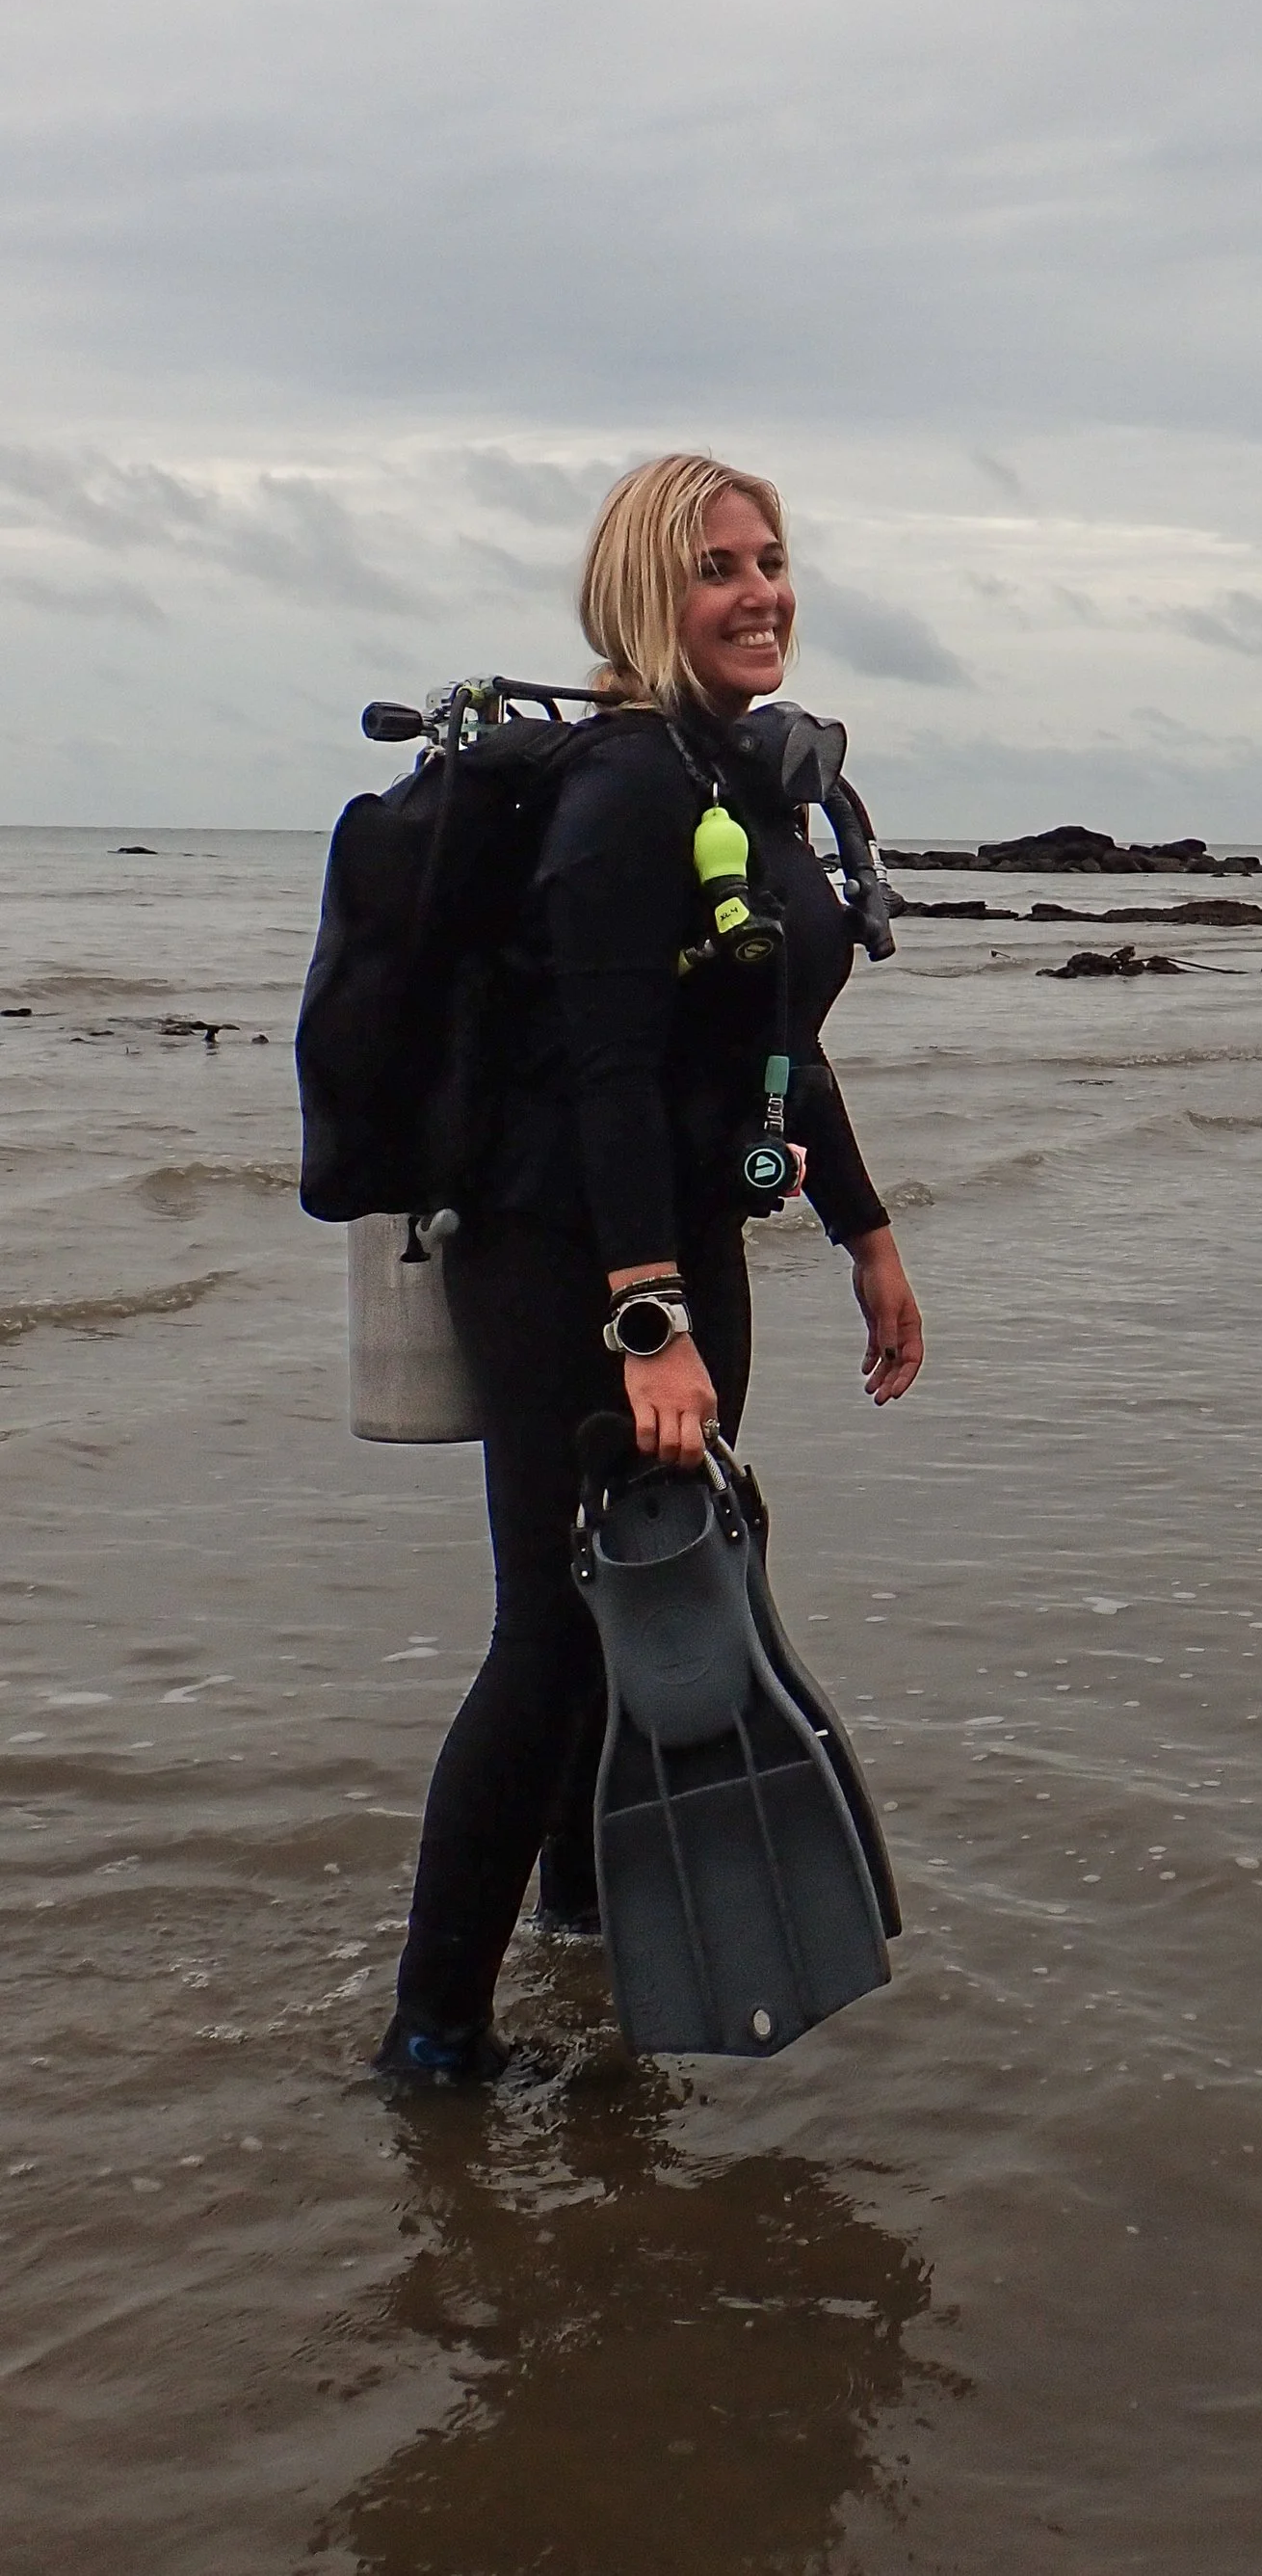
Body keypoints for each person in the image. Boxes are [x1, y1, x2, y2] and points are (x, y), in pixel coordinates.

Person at [376, 451, 924, 2083]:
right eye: (717, 569)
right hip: (568, 1258)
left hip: (674, 1243)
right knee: (552, 1630)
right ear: (643, 598)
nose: (761, 591)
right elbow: (611, 1070)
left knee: (649, 1601)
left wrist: (867, 1232)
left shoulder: (738, 777)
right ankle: (433, 2039)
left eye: (770, 558)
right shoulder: (626, 791)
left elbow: (771, 1037)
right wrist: (646, 1323)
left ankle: (579, 1912)